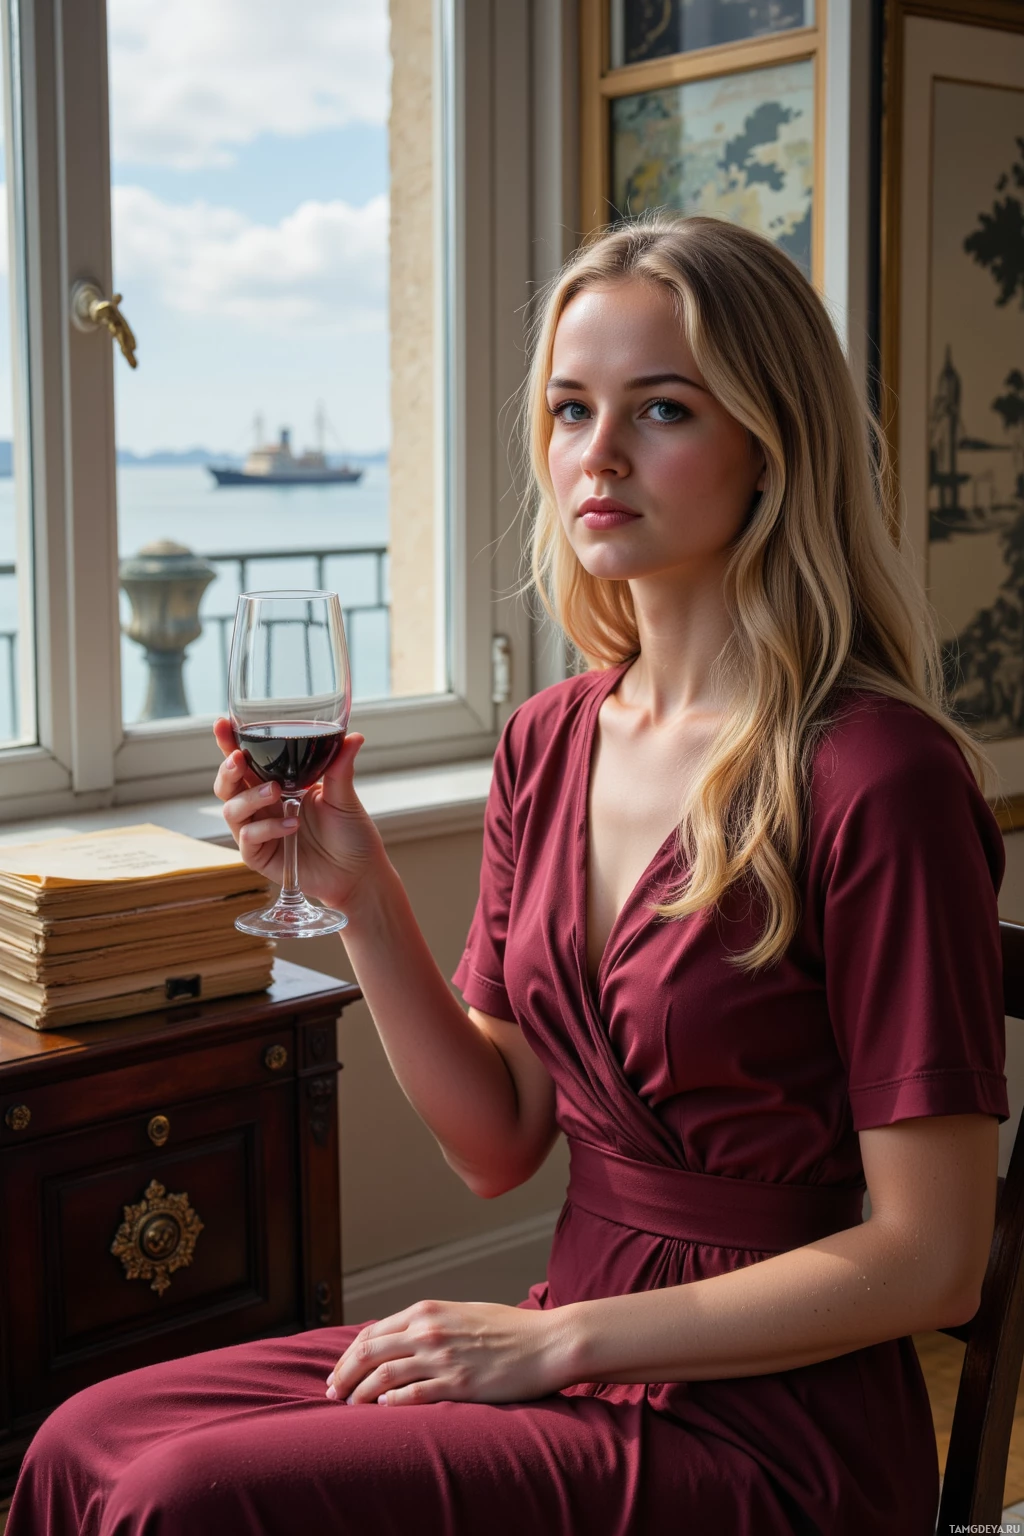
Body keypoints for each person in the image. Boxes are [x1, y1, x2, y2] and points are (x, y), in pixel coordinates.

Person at [7, 213, 1008, 1536]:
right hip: (560, 1347)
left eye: (660, 410)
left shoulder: (878, 774)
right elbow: (497, 1143)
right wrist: (359, 895)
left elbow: (933, 1261)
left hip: (770, 1426)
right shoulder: (548, 740)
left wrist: (561, 1346)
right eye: (570, 408)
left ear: (772, 442)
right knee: (91, 1435)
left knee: (186, 1499)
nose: (595, 455)